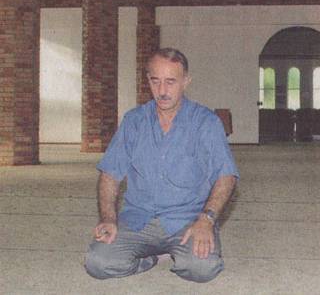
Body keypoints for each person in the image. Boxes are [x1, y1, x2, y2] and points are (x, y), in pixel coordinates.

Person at [84, 48, 239, 283]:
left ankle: (184, 250)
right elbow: (110, 173)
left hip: (186, 220)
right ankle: (149, 259)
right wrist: (108, 218)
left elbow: (227, 176)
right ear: (148, 80)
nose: (162, 91)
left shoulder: (206, 123)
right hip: (138, 219)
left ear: (186, 81)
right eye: (155, 81)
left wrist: (206, 220)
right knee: (98, 263)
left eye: (170, 82)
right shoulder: (134, 121)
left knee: (202, 269)